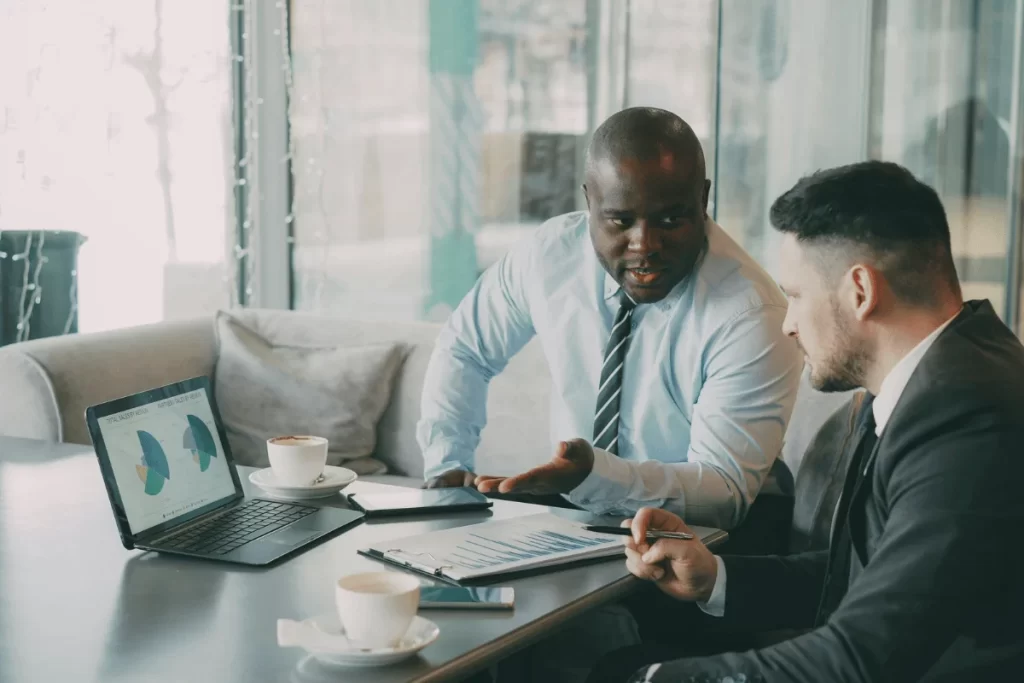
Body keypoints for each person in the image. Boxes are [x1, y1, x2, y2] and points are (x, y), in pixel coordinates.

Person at [592, 160, 1024, 682]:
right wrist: (715, 576)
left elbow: (861, 656)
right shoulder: (936, 381)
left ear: (860, 291)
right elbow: (873, 579)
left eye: (795, 296)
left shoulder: (967, 417)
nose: (789, 325)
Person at [417, 107, 801, 530]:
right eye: (620, 221)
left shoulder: (751, 314)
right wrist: (447, 465)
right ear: (590, 201)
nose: (644, 245)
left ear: (703, 198)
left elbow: (723, 493)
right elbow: (466, 348)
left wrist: (594, 477)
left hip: (715, 538)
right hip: (578, 510)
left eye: (670, 220)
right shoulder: (549, 257)